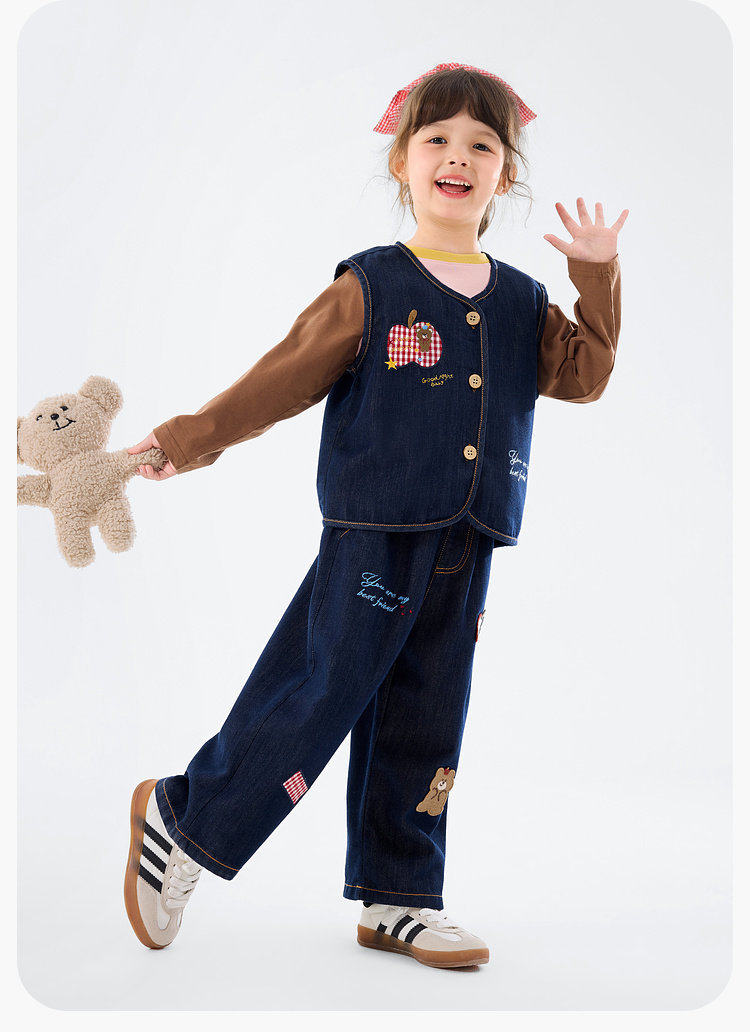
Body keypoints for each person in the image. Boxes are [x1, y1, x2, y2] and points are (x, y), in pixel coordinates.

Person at [123, 63, 627, 968]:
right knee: (321, 693)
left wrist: (597, 277)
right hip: (375, 533)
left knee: (430, 713)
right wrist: (185, 440)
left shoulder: (522, 301)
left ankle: (399, 896)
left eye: (482, 144)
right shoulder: (371, 285)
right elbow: (279, 380)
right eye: (437, 139)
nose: (458, 157)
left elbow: (583, 375)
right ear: (402, 161)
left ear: (505, 174)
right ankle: (183, 816)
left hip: (469, 537)